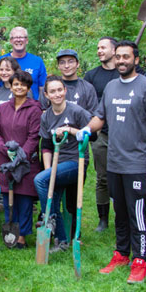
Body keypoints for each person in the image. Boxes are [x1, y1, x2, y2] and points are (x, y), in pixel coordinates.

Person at [83, 40, 146, 284]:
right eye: (118, 57)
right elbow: (100, 117)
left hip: (135, 162)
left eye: (126, 57)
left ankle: (140, 259)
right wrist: (84, 130)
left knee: (137, 213)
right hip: (114, 161)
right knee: (119, 210)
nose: (121, 60)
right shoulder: (111, 86)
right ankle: (121, 253)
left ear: (136, 60)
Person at [35, 76, 93, 252]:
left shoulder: (77, 112)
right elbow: (45, 145)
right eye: (52, 91)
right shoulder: (46, 117)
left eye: (60, 90)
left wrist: (70, 130)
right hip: (56, 164)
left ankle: (49, 218)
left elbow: (92, 135)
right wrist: (48, 171)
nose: (57, 94)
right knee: (52, 198)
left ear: (65, 91)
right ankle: (62, 240)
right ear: (46, 95)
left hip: (76, 161)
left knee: (39, 181)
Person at [0, 70, 42, 248]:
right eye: (16, 84)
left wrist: (21, 155)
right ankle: (10, 233)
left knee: (24, 199)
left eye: (23, 84)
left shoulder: (35, 109)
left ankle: (22, 234)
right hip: (7, 159)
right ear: (11, 86)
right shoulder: (4, 108)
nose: (19, 87)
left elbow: (34, 136)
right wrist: (4, 148)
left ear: (28, 87)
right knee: (7, 197)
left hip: (26, 162)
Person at [83, 37, 119, 232]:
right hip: (100, 134)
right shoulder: (91, 76)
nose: (99, 51)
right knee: (102, 177)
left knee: (122, 177)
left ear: (114, 51)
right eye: (98, 47)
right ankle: (103, 219)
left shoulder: (124, 73)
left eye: (103, 47)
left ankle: (123, 214)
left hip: (122, 134)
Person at [0, 27, 47, 102]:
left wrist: (42, 109)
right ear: (10, 41)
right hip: (5, 108)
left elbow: (42, 88)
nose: (18, 40)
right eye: (15, 37)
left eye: (21, 37)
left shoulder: (37, 61)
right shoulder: (1, 61)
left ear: (27, 40)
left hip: (31, 108)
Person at [39, 49, 97, 113]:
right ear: (58, 66)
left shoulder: (87, 88)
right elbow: (42, 110)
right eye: (62, 62)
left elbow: (93, 115)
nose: (66, 66)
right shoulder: (50, 86)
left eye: (71, 62)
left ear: (77, 64)